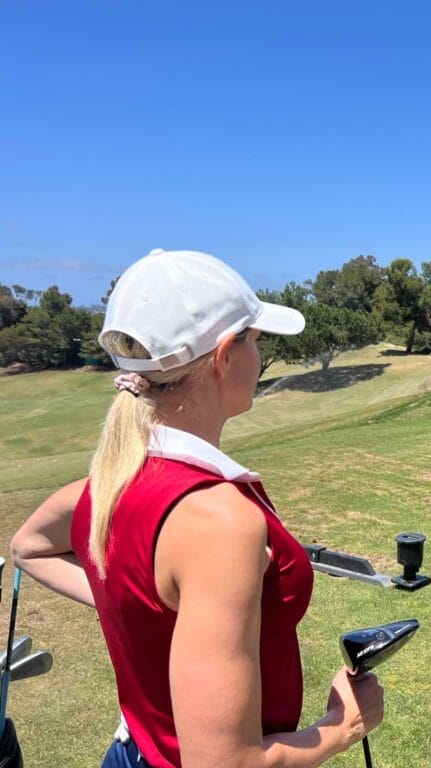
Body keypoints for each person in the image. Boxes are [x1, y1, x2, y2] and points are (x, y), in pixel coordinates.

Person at [10, 249, 384, 768]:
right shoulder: (220, 520)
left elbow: (28, 547)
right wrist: (342, 728)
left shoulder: (106, 484)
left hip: (131, 753)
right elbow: (224, 762)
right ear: (226, 355)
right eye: (255, 341)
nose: (259, 356)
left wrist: (144, 610)